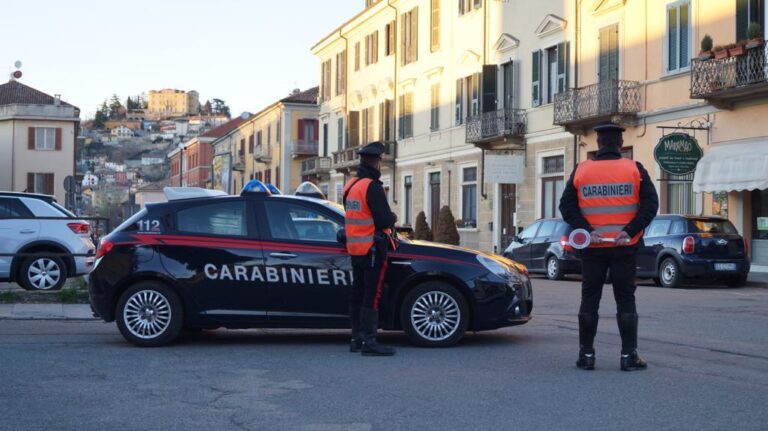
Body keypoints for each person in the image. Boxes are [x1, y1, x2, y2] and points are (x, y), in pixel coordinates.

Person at [559, 123, 659, 371]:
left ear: (599, 144)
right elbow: (650, 205)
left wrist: (588, 231)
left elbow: (566, 207)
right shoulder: (634, 169)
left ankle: (586, 356)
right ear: (621, 145)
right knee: (625, 298)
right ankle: (628, 356)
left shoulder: (582, 171)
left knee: (590, 298)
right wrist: (629, 231)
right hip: (624, 246)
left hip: (593, 248)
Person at [343, 141, 397, 356]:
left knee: (357, 293)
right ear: (376, 161)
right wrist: (393, 217)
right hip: (372, 248)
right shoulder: (371, 187)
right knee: (372, 295)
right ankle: (370, 342)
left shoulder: (350, 185)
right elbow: (383, 220)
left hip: (355, 248)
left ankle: (356, 338)